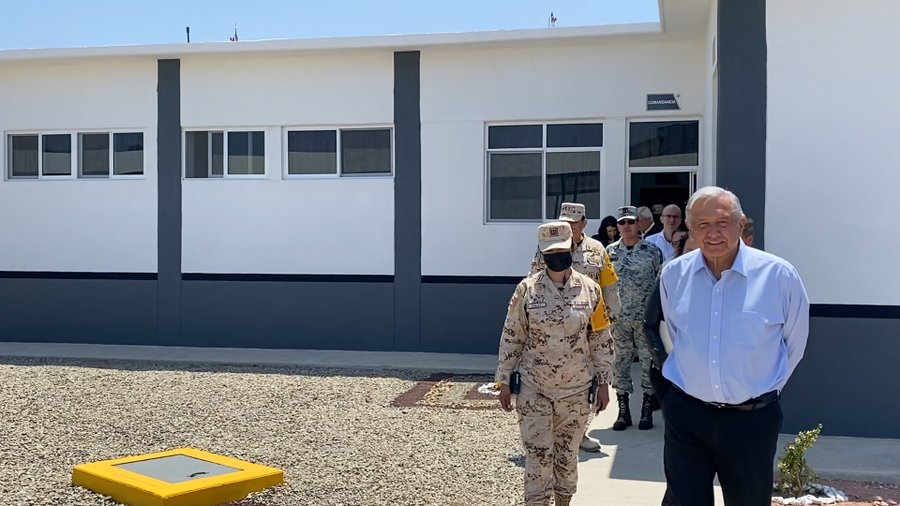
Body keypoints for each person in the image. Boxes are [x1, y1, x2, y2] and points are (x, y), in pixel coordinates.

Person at [658, 186, 809, 506]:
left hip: (751, 422)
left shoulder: (778, 276)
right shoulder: (673, 275)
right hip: (687, 416)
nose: (713, 233)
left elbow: (794, 344)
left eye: (722, 222)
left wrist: (761, 390)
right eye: (702, 224)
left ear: (741, 224)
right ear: (690, 228)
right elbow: (675, 334)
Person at [498, 221, 614, 506]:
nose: (556, 257)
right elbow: (512, 335)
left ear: (571, 249)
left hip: (575, 391)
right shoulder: (526, 290)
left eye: (561, 251)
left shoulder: (590, 290)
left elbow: (600, 338)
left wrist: (604, 383)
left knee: (567, 456)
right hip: (534, 388)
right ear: (542, 254)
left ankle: (563, 501)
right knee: (537, 456)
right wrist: (504, 380)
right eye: (550, 253)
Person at [530, 202, 621, 452]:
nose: (569, 227)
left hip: (588, 328)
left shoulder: (597, 249)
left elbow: (609, 285)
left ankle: (579, 433)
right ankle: (552, 433)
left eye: (573, 223)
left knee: (586, 381)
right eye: (565, 223)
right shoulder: (549, 248)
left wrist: (612, 318)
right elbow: (533, 282)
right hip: (554, 328)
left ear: (584, 223)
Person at [606, 206, 663, 430]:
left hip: (644, 320)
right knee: (620, 363)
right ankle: (623, 411)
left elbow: (661, 284)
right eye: (622, 223)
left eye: (631, 222)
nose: (626, 226)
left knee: (648, 363)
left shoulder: (652, 251)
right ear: (617, 226)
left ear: (638, 224)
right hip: (619, 320)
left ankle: (647, 410)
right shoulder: (609, 252)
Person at [644, 231, 697, 406]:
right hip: (670, 370)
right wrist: (663, 360)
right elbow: (649, 324)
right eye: (689, 251)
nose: (694, 257)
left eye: (699, 252)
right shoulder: (668, 278)